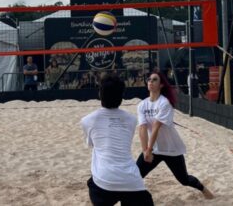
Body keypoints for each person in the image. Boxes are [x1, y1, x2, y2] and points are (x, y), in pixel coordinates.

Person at [136, 71, 214, 200]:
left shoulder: (164, 103)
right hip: (154, 148)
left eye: (154, 80)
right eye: (149, 79)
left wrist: (148, 150)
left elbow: (156, 126)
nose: (150, 81)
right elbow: (142, 128)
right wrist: (145, 151)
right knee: (135, 175)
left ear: (161, 85)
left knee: (184, 180)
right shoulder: (142, 105)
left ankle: (203, 189)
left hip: (171, 149)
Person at [81, 74, 154, 206]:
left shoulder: (87, 120)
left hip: (103, 181)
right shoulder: (131, 120)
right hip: (131, 180)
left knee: (92, 184)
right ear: (121, 97)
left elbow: (92, 145)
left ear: (100, 94)